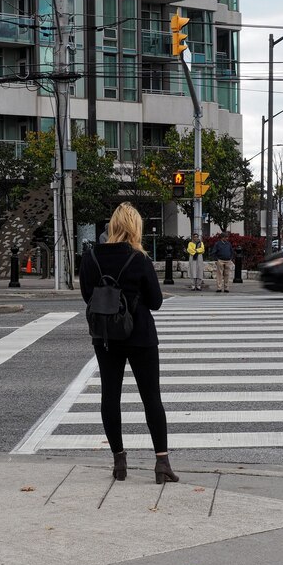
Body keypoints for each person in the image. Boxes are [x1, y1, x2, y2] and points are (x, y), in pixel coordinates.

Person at [79, 202, 179, 484]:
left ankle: (119, 462)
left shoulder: (91, 258)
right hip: (140, 335)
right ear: (135, 227)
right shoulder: (139, 259)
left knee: (110, 396)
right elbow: (157, 302)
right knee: (151, 398)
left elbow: (88, 296)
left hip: (105, 335)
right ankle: (162, 463)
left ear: (112, 226)